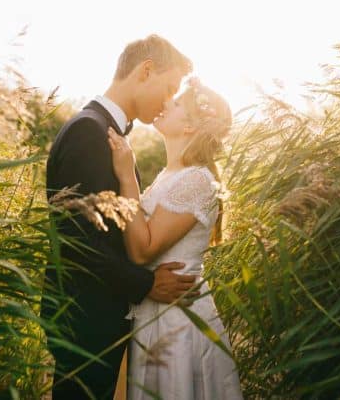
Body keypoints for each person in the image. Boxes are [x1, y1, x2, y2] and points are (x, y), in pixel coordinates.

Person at [44, 34, 197, 399]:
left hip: (98, 315)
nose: (170, 101)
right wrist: (145, 284)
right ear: (146, 71)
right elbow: (79, 240)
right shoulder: (88, 132)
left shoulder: (103, 131)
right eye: (170, 88)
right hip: (85, 318)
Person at [107, 77, 244, 399]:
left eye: (177, 102)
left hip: (177, 321)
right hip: (159, 311)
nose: (166, 102)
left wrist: (127, 174)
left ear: (190, 128)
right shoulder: (171, 176)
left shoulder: (196, 179)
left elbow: (142, 251)